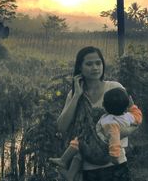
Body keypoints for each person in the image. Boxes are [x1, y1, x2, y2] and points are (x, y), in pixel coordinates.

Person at [56, 46, 141, 181]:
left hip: (116, 163)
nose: (95, 67)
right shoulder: (74, 94)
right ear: (80, 68)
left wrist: (106, 136)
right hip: (88, 167)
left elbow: (133, 121)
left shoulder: (115, 88)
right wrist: (77, 95)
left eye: (98, 63)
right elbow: (61, 127)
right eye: (89, 64)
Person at [50, 87, 142, 181]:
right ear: (125, 107)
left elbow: (114, 140)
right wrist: (132, 106)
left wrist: (114, 157)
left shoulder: (110, 123)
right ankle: (69, 173)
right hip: (104, 155)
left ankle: (64, 161)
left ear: (104, 106)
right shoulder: (128, 117)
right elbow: (138, 116)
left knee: (80, 140)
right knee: (82, 145)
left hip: (101, 154)